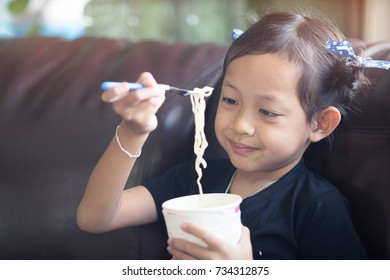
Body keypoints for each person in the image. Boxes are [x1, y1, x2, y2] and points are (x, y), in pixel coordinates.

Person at [77, 11, 370, 259]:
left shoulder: (316, 207)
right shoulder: (194, 182)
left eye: (267, 112)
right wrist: (133, 131)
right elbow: (96, 217)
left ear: (320, 124)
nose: (240, 125)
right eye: (230, 100)